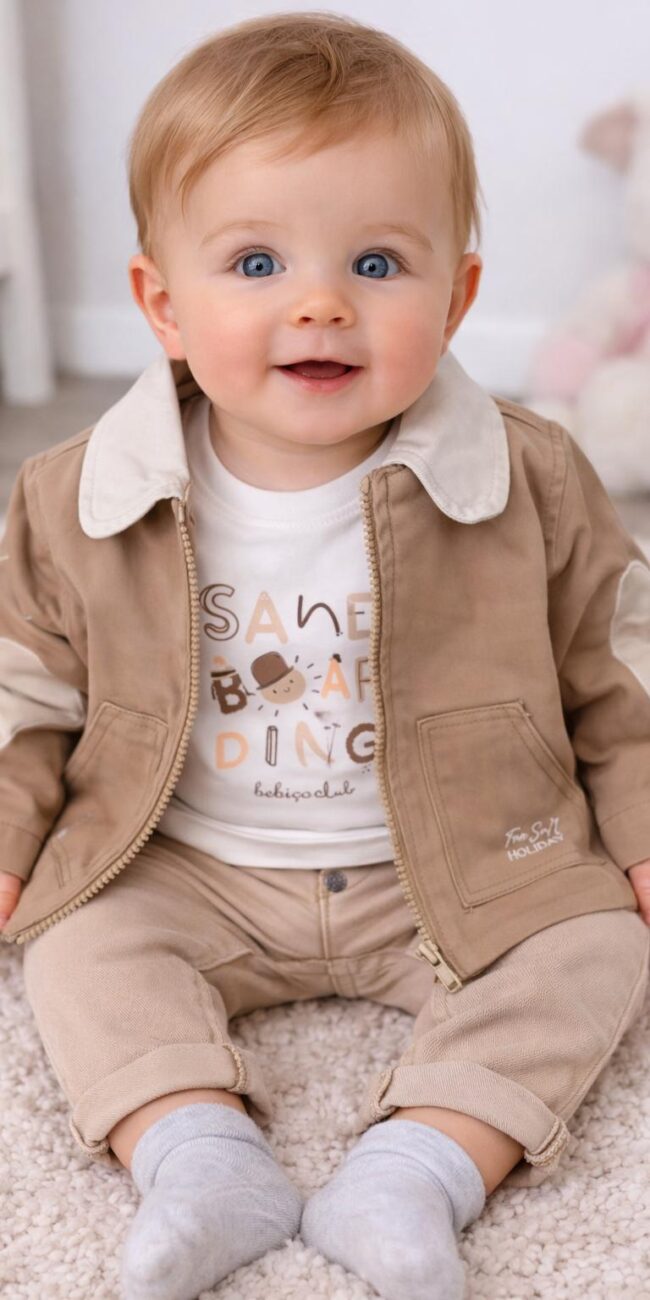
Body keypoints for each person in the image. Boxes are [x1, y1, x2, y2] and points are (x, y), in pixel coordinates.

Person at [1, 12, 649, 1300]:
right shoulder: (78, 496)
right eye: (255, 261)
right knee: (76, 946)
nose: (319, 303)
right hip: (189, 864)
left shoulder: (531, 477)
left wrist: (635, 835)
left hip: (460, 863)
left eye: (376, 261)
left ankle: (421, 1165)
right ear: (162, 305)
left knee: (594, 947)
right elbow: (26, 689)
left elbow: (614, 670)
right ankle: (198, 1156)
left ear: (457, 298)